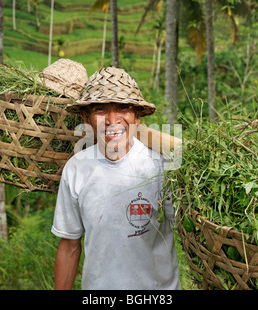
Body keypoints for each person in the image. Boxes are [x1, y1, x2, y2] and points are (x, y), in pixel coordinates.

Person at [51, 66, 181, 290]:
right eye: (100, 109)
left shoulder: (162, 166)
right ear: (86, 118)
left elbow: (190, 230)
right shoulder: (76, 168)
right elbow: (70, 246)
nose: (112, 119)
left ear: (137, 116)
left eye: (123, 108)